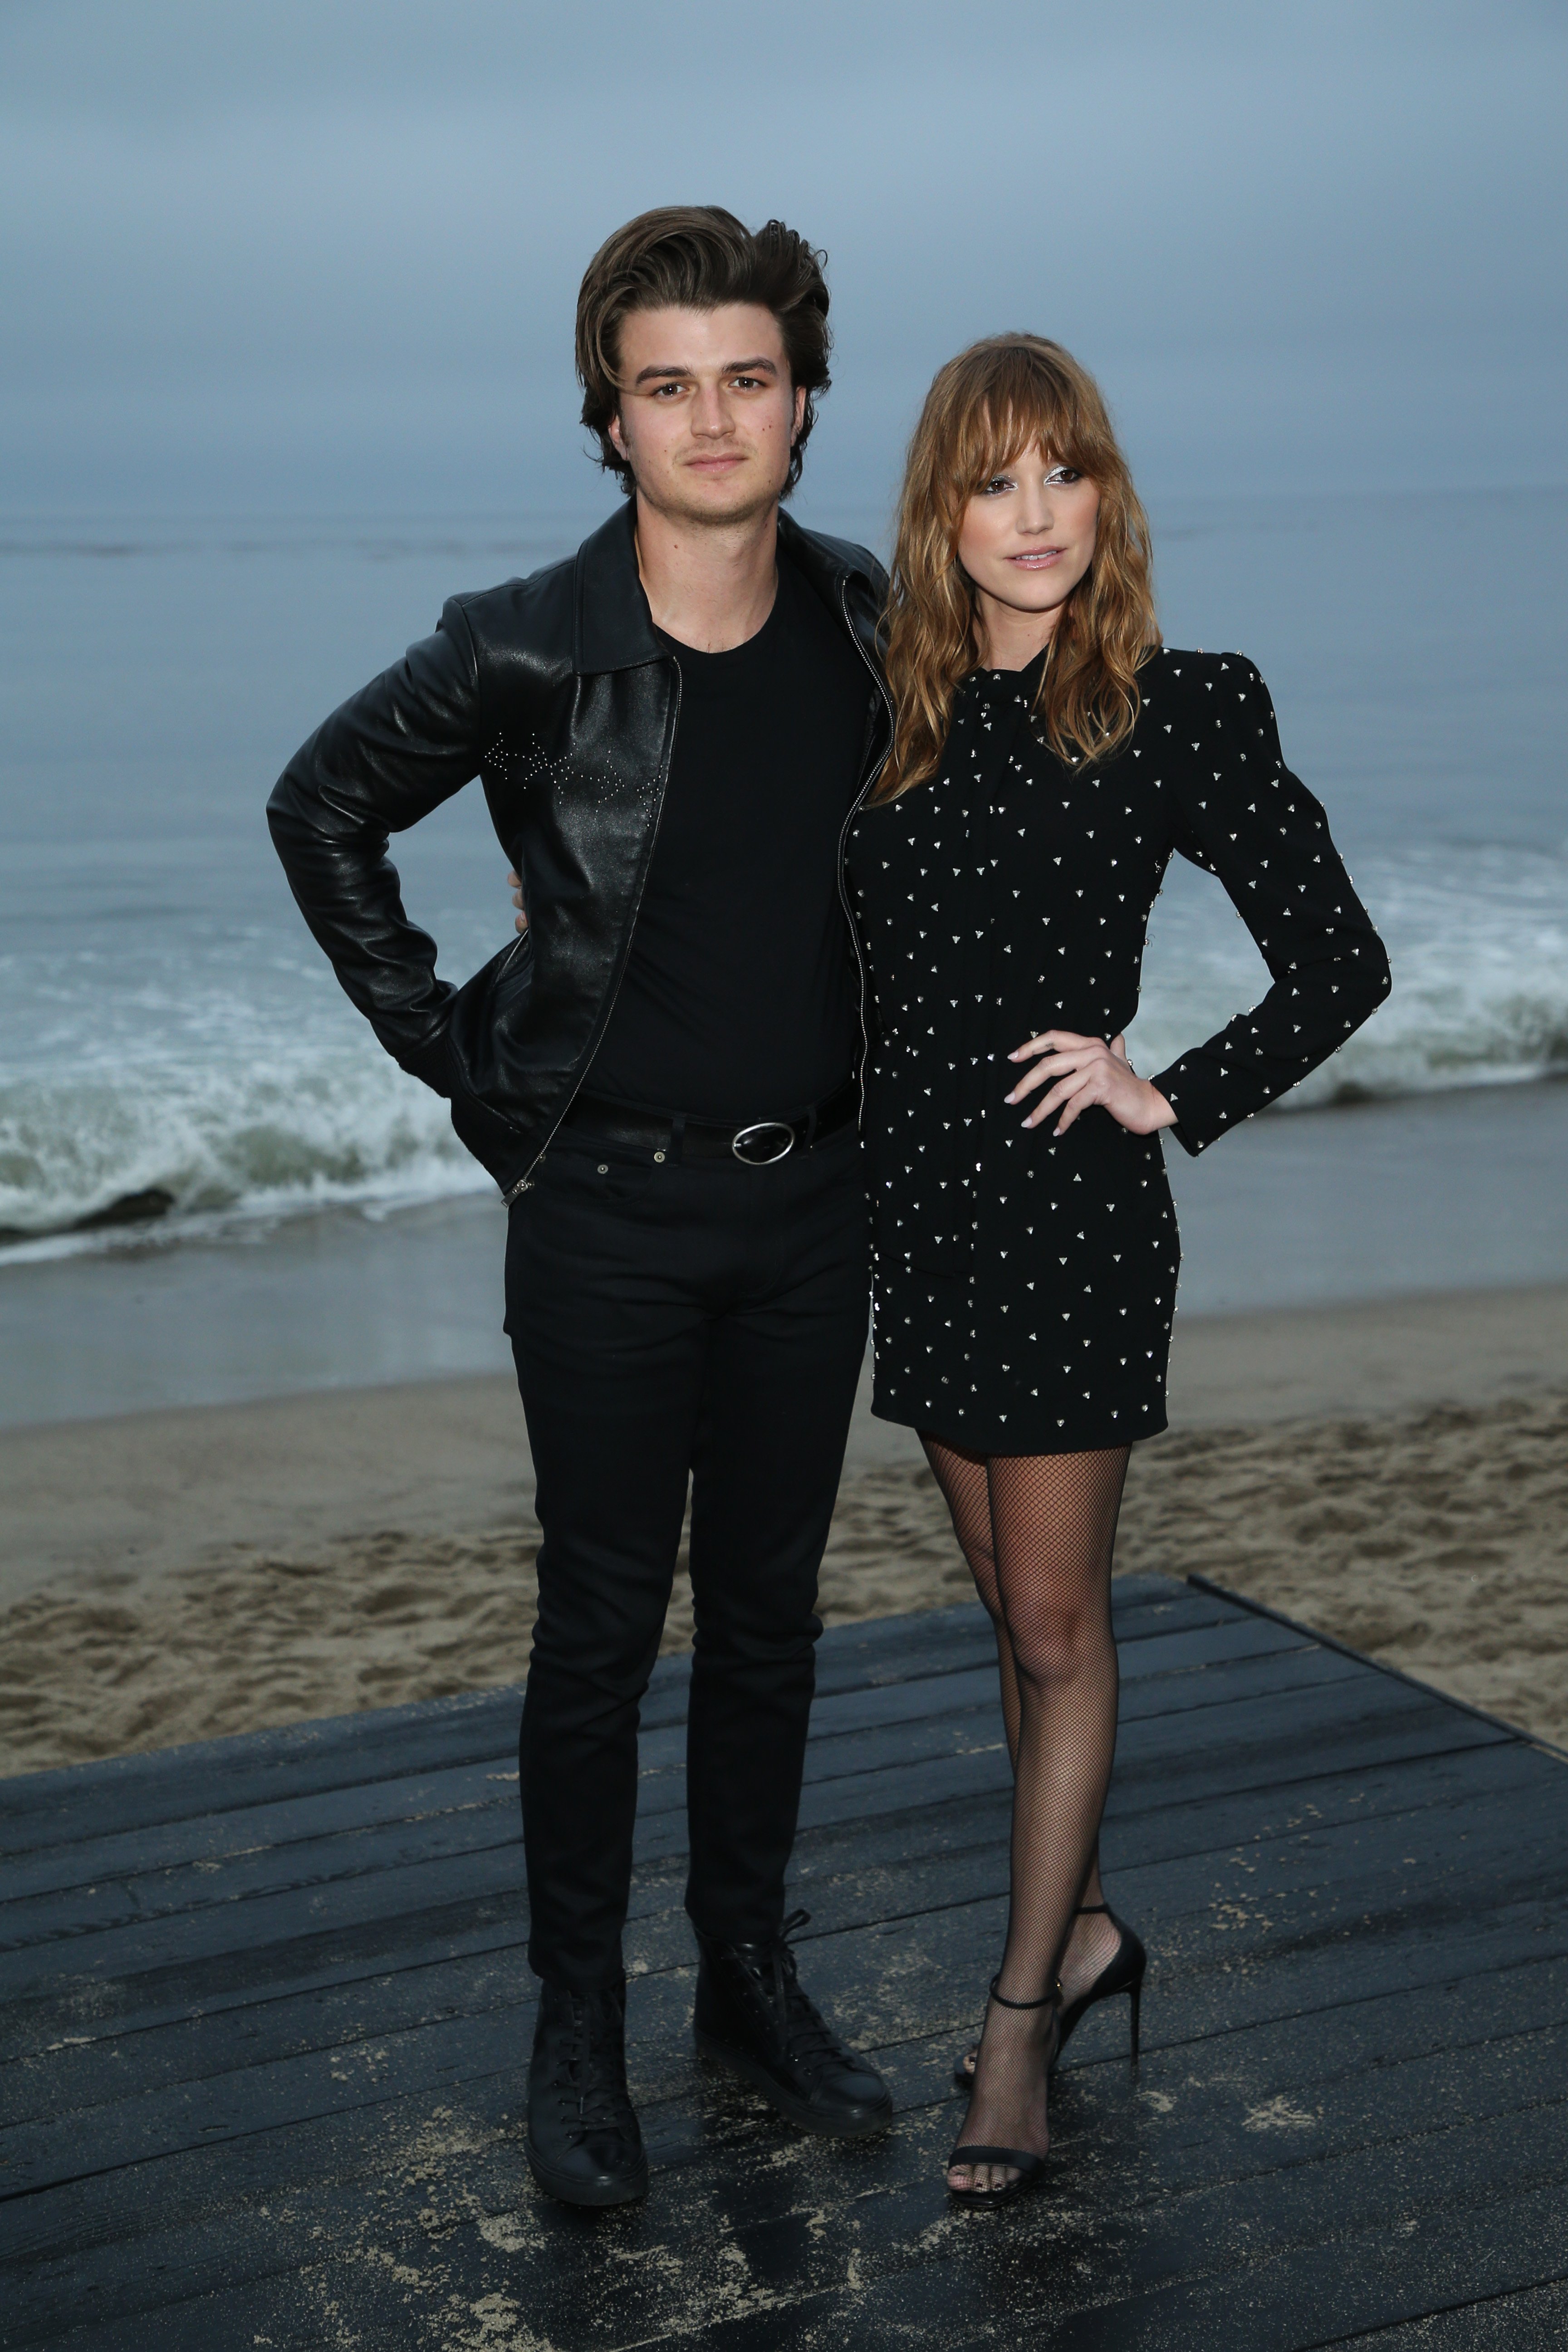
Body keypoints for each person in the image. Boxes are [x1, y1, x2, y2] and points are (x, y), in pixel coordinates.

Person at [267, 207, 897, 2210]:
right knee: (603, 1632)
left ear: (804, 398)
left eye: (748, 377)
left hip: (819, 1205)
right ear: (607, 419)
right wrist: (450, 1046)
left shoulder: (878, 614)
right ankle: (575, 2039)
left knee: (778, 1625)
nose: (713, 418)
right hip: (607, 1212)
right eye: (666, 385)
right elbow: (321, 807)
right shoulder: (524, 641)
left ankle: (744, 1980)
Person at [842, 335, 1392, 2205]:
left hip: (1073, 1219)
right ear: (940, 511)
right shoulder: (885, 707)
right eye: (993, 482)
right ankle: (1075, 1934)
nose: (1033, 516)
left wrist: (1171, 1089)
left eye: (1062, 473)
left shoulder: (1176, 703)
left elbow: (1338, 961)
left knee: (1062, 1627)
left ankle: (1018, 2022)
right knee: (1010, 1611)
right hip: (921, 1217)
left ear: (1104, 492)